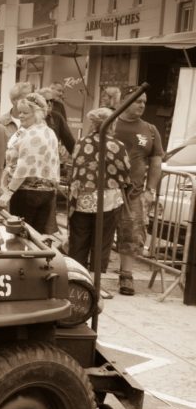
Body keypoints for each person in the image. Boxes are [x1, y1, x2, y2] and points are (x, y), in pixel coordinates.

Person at [68, 107, 131, 280]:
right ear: (112, 124)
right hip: (108, 201)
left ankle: (76, 280)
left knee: (79, 240)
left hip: (82, 199)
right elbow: (125, 172)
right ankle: (96, 283)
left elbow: (75, 167)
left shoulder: (81, 142)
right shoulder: (118, 146)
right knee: (102, 243)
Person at [112, 87, 163, 296]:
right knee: (100, 230)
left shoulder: (150, 129)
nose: (142, 105)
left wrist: (150, 189)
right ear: (124, 101)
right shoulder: (110, 123)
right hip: (108, 189)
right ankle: (91, 272)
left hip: (135, 192)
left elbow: (156, 161)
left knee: (132, 233)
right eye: (137, 101)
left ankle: (126, 275)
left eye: (144, 101)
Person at [0, 92, 60, 232]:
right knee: (37, 236)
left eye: (25, 113)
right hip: (46, 193)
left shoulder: (31, 134)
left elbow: (24, 167)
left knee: (21, 235)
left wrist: (8, 192)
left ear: (37, 113)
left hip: (27, 193)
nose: (20, 116)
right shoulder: (48, 132)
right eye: (19, 112)